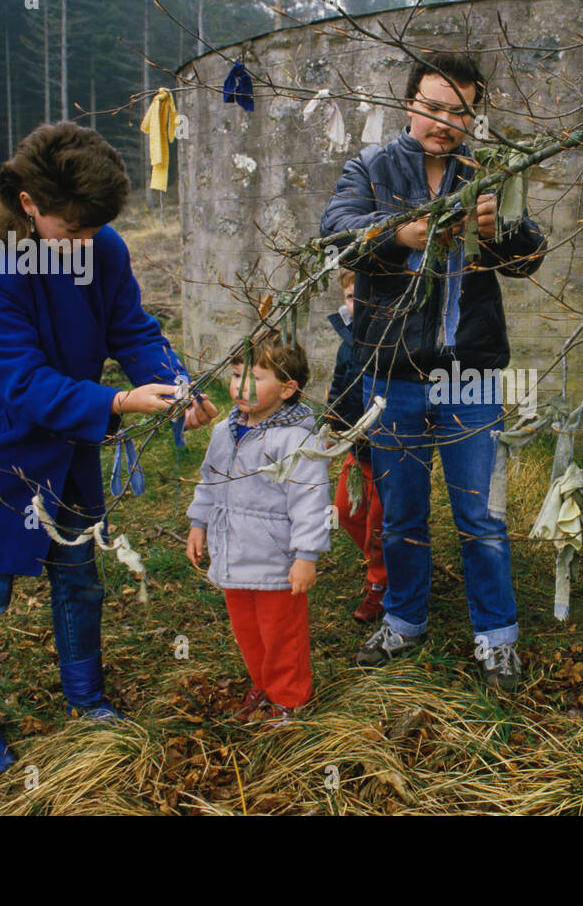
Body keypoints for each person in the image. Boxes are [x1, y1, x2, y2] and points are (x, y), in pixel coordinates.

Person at [0, 121, 218, 773]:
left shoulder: (100, 246)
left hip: (66, 444)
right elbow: (24, 381)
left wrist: (175, 382)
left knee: (79, 578)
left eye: (94, 231)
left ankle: (86, 698)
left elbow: (131, 328)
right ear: (29, 204)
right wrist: (116, 402)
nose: (85, 244)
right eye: (73, 231)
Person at [319, 52, 546, 691]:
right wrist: (401, 234)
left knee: (481, 515)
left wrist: (499, 230)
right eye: (433, 107)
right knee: (401, 513)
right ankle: (403, 619)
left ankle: (497, 636)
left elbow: (529, 256)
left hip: (469, 372)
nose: (444, 122)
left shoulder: (489, 171)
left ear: (474, 112)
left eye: (459, 110)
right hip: (393, 371)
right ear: (409, 104)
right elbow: (335, 234)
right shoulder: (371, 167)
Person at [186, 327, 330, 724]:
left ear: (287, 389)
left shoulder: (297, 441)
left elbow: (310, 500)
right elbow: (209, 480)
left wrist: (306, 556)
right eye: (236, 375)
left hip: (276, 559)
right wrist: (199, 523)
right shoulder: (223, 432)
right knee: (248, 631)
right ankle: (262, 683)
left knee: (281, 633)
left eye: (255, 377)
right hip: (233, 553)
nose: (240, 385)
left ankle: (290, 697)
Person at [326, 268, 387, 622]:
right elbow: (339, 386)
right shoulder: (347, 341)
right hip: (357, 446)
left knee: (380, 522)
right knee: (345, 512)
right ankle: (381, 559)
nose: (358, 303)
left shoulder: (391, 339)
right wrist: (333, 422)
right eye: (351, 296)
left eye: (365, 295)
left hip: (387, 448)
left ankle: (378, 586)